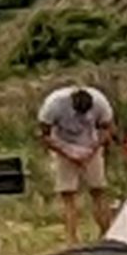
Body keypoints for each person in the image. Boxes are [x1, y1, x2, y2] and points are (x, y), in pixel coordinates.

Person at [38, 85, 115, 242]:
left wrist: (92, 151)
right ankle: (72, 239)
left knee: (98, 190)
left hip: (90, 145)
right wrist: (67, 153)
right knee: (68, 194)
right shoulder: (53, 104)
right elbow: (43, 135)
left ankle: (107, 235)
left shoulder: (101, 103)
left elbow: (107, 129)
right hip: (63, 145)